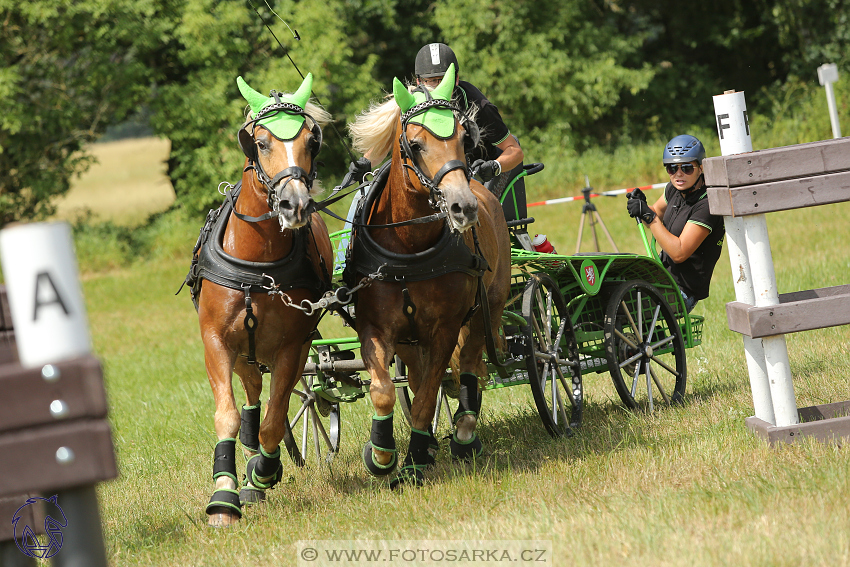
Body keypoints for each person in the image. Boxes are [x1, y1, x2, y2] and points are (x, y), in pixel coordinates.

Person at [345, 42, 527, 223]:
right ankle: (346, 250)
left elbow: (514, 150)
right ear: (419, 82)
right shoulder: (413, 104)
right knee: (363, 197)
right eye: (431, 80)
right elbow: (386, 142)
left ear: (456, 78)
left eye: (443, 79)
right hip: (439, 174)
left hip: (482, 171)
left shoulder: (479, 105)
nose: (438, 85)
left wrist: (495, 166)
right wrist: (365, 162)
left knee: (481, 210)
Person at [626, 134, 724, 312]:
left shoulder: (708, 204)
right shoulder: (674, 189)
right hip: (662, 279)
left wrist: (650, 216)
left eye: (687, 168)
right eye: (672, 168)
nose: (679, 174)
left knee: (624, 303)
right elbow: (656, 213)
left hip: (682, 291)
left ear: (701, 168)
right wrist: (642, 206)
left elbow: (679, 252)